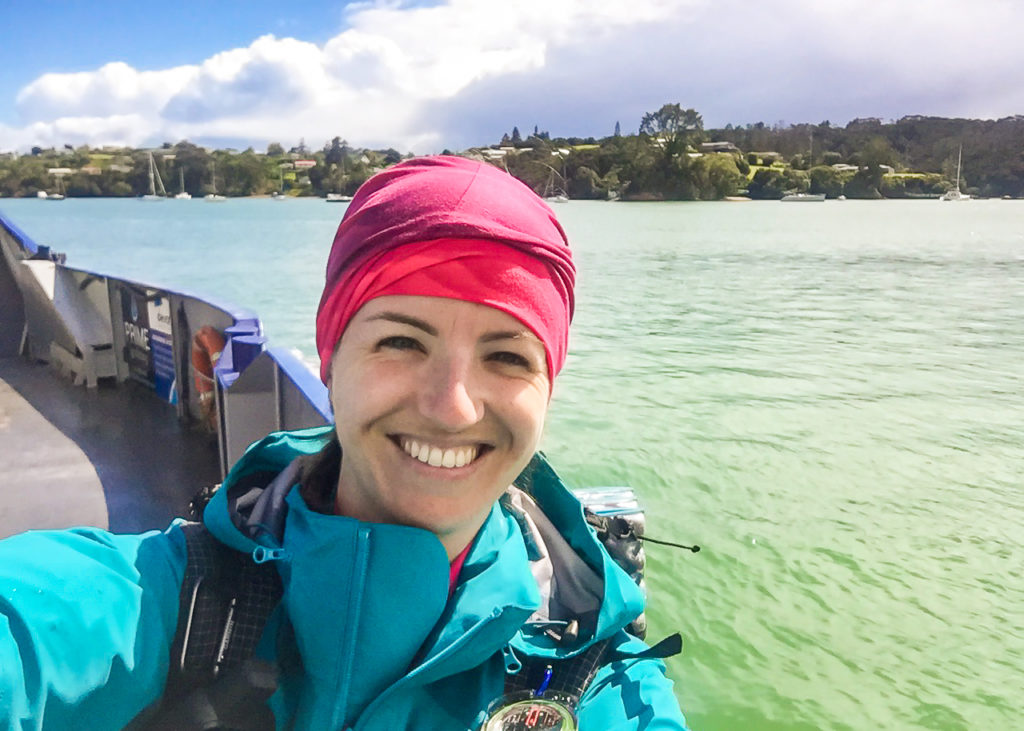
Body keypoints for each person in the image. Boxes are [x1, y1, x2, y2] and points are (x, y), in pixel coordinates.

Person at [0, 155, 688, 730]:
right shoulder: (170, 602)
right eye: (400, 341)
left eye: (508, 357)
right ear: (329, 358)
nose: (452, 406)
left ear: (548, 388)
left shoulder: (592, 677)